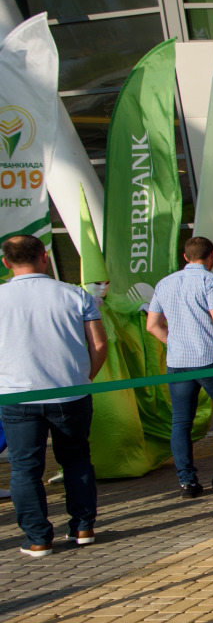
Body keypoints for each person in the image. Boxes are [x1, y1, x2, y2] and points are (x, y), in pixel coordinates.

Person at [0, 235, 107, 554]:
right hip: (70, 393)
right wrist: (83, 378)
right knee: (76, 459)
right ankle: (83, 527)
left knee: (24, 468)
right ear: (44, 257)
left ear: (6, 262)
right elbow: (99, 345)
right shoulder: (76, 295)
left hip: (16, 396)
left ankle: (37, 538)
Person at [147, 236, 213, 499]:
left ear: (185, 257)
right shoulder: (211, 281)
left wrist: (176, 343)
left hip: (178, 362)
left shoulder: (165, 283)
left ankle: (187, 481)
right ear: (212, 255)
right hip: (211, 358)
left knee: (180, 421)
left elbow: (152, 326)